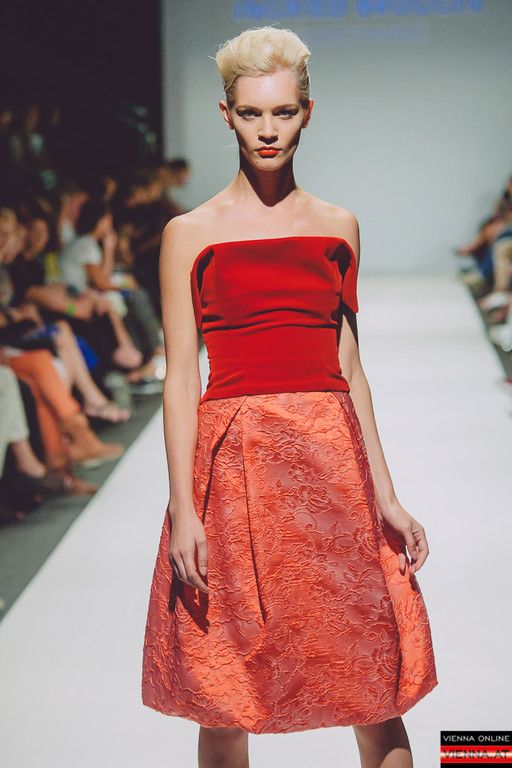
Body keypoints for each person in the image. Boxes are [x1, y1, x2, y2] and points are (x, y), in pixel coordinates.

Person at [141, 26, 438, 767]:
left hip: (329, 460)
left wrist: (386, 495)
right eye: (251, 113)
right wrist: (183, 508)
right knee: (225, 688)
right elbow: (181, 377)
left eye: (282, 112)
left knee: (371, 679)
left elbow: (349, 366)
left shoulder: (339, 227)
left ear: (308, 112)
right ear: (226, 115)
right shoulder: (189, 233)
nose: (267, 130)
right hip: (234, 465)